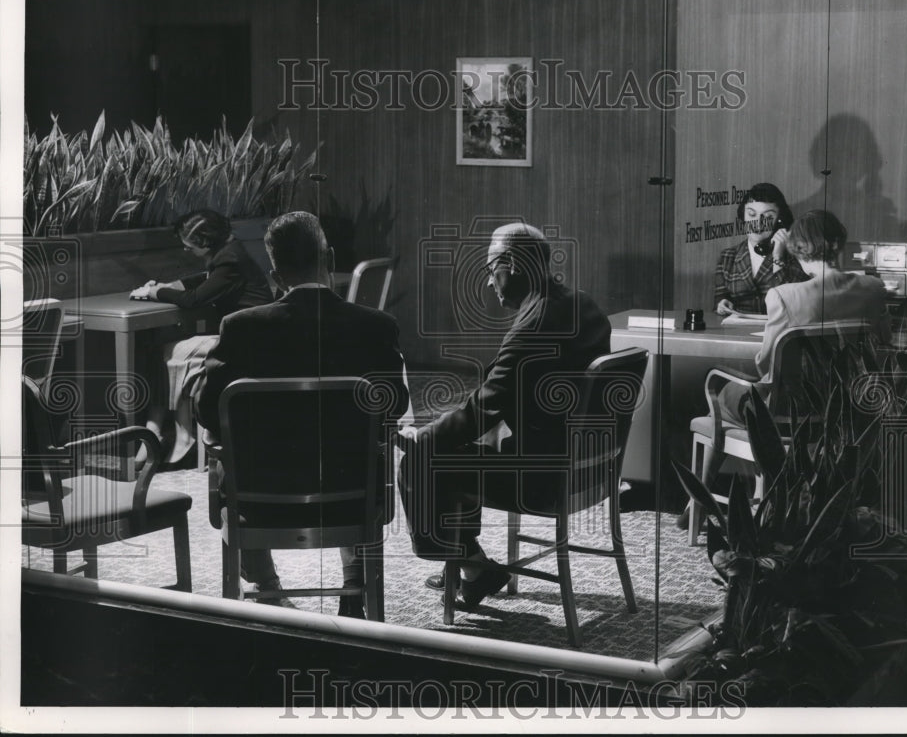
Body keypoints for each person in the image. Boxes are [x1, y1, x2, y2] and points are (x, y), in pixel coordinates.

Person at [192, 211, 409, 615]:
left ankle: (267, 588)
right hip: (353, 500)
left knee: (230, 458)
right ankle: (354, 584)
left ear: (275, 276)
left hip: (259, 503)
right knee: (362, 448)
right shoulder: (375, 326)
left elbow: (207, 412)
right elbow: (394, 407)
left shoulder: (240, 327)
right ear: (328, 260)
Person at [395, 222, 611, 610]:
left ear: (510, 264)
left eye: (490, 268)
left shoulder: (532, 325)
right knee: (462, 443)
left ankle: (474, 568)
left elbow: (484, 408)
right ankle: (469, 566)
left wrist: (422, 435)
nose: (489, 282)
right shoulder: (583, 304)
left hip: (542, 479)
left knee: (419, 463)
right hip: (587, 469)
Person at [679, 209, 888, 529]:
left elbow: (766, 364)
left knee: (719, 396)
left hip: (788, 412)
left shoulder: (783, 295)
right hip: (844, 409)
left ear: (798, 249)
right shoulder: (873, 289)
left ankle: (700, 501)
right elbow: (881, 347)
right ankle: (702, 502)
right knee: (723, 411)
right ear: (839, 245)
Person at [130, 209, 273, 464]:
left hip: (245, 342)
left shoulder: (230, 260)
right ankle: (157, 429)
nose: (186, 250)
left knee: (169, 351)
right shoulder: (231, 253)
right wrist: (173, 285)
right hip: (247, 337)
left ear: (205, 242)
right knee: (162, 347)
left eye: (189, 245)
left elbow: (193, 299)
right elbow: (208, 281)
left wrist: (156, 292)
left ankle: (175, 434)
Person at [714, 183, 808, 316]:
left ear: (779, 220)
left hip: (780, 331)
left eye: (768, 217)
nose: (758, 223)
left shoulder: (795, 254)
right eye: (752, 214)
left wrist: (778, 257)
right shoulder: (727, 257)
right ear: (743, 216)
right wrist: (721, 304)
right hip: (738, 333)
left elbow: (791, 302)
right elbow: (719, 301)